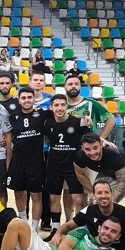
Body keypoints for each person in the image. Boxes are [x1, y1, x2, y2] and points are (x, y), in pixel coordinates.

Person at [74, 132, 125, 250]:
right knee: (95, 201)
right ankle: (97, 240)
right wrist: (93, 191)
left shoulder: (113, 155)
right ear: (82, 148)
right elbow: (80, 174)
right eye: (87, 149)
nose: (92, 152)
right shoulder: (80, 157)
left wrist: (111, 202)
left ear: (101, 145)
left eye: (95, 148)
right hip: (107, 172)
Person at [49, 178, 125, 250]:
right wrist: (57, 234)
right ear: (93, 195)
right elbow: (67, 226)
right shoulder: (88, 211)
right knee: (59, 242)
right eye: (99, 193)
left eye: (106, 192)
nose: (103, 196)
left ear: (112, 194)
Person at [44, 95, 91, 235]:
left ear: (67, 107)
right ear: (51, 107)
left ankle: (78, 230)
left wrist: (103, 141)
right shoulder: (48, 123)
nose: (59, 108)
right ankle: (56, 229)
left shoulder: (78, 122)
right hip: (54, 165)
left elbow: (90, 137)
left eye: (62, 105)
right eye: (56, 105)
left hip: (73, 166)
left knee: (78, 199)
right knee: (54, 198)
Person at [5, 86, 50, 231]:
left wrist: (84, 118)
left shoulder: (43, 115)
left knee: (36, 195)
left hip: (36, 161)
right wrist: (8, 160)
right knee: (18, 193)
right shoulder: (13, 117)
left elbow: (61, 115)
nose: (26, 100)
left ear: (33, 99)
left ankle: (35, 228)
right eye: (23, 98)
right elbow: (8, 137)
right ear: (19, 99)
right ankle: (24, 223)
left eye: (29, 98)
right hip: (17, 160)